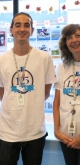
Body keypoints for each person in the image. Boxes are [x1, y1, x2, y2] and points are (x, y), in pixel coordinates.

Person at [0, 12, 57, 165]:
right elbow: (2, 95)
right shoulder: (0, 61)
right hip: (8, 131)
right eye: (17, 25)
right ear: (11, 29)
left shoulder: (44, 58)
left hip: (34, 131)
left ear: (32, 30)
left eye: (27, 25)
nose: (22, 29)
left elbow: (45, 93)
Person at [53, 24, 80, 165]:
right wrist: (57, 131)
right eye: (69, 37)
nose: (74, 40)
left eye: (78, 35)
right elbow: (57, 102)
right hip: (66, 137)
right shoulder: (62, 68)